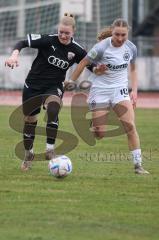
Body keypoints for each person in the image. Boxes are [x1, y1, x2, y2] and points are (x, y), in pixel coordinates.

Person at [5, 13, 105, 171]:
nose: (63, 36)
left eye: (67, 33)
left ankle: (50, 149)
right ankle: (28, 154)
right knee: (30, 120)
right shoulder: (47, 40)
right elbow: (22, 42)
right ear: (58, 30)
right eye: (61, 32)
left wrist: (98, 69)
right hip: (33, 85)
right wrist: (14, 55)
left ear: (73, 32)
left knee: (53, 107)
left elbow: (89, 65)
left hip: (54, 86)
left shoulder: (76, 49)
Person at [68, 18, 149, 174]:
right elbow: (83, 63)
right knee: (99, 133)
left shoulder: (131, 48)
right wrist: (71, 80)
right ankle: (95, 124)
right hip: (100, 90)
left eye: (123, 35)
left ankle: (138, 165)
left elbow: (133, 70)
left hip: (120, 90)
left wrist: (134, 91)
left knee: (130, 126)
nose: (119, 38)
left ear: (128, 34)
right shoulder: (101, 47)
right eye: (117, 34)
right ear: (112, 32)